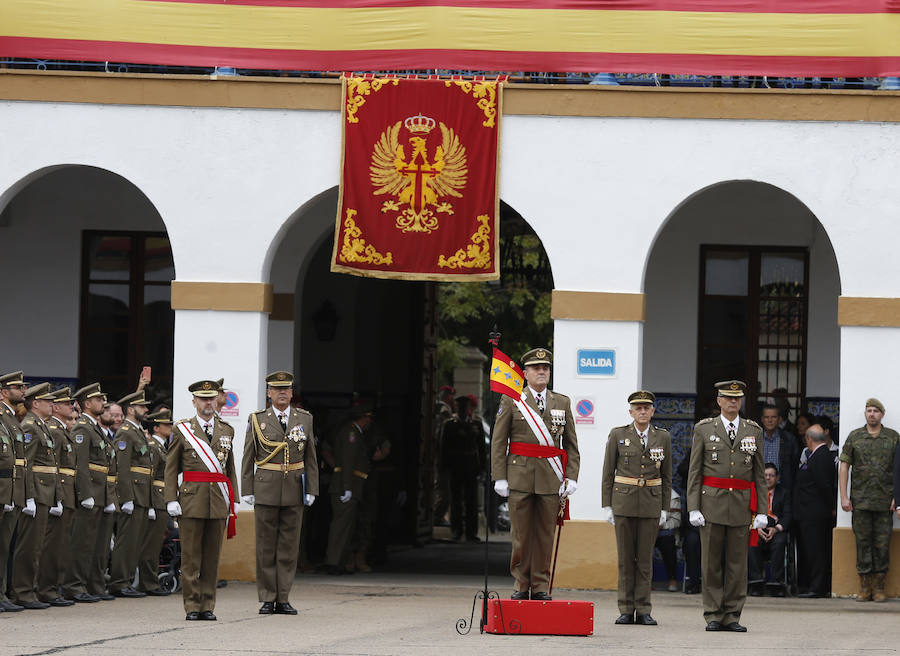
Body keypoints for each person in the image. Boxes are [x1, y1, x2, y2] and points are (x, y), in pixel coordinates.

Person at [491, 347, 580, 601]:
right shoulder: (512, 399)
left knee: (544, 535)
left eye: (545, 368)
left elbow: (571, 444)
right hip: (519, 476)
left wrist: (571, 475)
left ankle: (540, 585)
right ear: (526, 373)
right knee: (521, 535)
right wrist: (499, 476)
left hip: (550, 477)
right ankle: (521, 583)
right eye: (536, 368)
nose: (542, 372)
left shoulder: (562, 402)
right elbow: (499, 441)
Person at [687, 380, 766, 632]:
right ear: (719, 401)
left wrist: (762, 510)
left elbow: (759, 474)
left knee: (737, 564)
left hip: (741, 505)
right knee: (710, 563)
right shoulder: (703, 429)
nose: (733, 402)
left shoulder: (753, 430)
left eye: (737, 398)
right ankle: (713, 613)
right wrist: (693, 506)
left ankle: (732, 614)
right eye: (728, 398)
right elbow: (695, 471)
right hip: (711, 503)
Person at [241, 371, 318, 615]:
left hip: (295, 487)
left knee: (288, 546)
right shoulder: (257, 419)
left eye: (286, 389)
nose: (282, 393)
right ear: (269, 393)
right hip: (265, 488)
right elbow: (248, 457)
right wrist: (248, 488)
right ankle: (267, 597)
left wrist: (312, 488)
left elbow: (310, 457)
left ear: (292, 393)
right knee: (265, 546)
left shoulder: (304, 418)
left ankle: (283, 597)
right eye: (277, 389)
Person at [165, 380, 238, 621]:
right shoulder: (182, 429)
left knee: (211, 558)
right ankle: (192, 606)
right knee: (190, 559)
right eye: (203, 399)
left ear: (217, 400)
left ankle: (208, 605)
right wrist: (170, 498)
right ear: (194, 402)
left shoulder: (227, 429)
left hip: (218, 500)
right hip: (191, 500)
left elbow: (229, 469)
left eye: (211, 398)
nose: (208, 402)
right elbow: (171, 467)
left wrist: (233, 499)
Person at [601, 390, 672, 625]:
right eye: (638, 408)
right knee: (625, 559)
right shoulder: (618, 434)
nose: (642, 411)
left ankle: (643, 609)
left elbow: (667, 475)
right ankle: (625, 608)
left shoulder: (663, 437)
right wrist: (607, 505)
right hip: (623, 503)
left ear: (652, 411)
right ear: (631, 411)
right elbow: (608, 472)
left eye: (646, 408)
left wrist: (664, 507)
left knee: (644, 560)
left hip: (651, 504)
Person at [839, 398, 899, 602]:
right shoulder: (855, 437)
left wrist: (897, 498)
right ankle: (865, 587)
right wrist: (844, 496)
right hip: (861, 502)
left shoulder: (893, 438)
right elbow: (844, 467)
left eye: (875, 411)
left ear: (882, 414)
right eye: (868, 410)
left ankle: (880, 587)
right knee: (863, 544)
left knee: (882, 545)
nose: (871, 414)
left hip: (884, 503)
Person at [11, 383, 61, 609]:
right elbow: (27, 464)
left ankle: (29, 590)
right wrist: (28, 496)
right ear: (36, 403)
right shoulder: (30, 426)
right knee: (29, 546)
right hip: (37, 492)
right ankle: (22, 592)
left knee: (37, 546)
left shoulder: (41, 426)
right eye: (48, 401)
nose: (52, 404)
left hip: (45, 492)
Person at [108, 390, 152, 598]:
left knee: (134, 541)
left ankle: (125, 580)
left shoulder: (136, 431)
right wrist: (126, 497)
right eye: (142, 406)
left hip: (141, 493)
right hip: (133, 493)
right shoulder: (126, 432)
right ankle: (119, 582)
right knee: (126, 541)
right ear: (131, 409)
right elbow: (122, 467)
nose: (146, 410)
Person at [37, 388, 78, 607]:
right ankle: (46, 589)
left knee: (61, 545)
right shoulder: (54, 430)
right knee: (52, 546)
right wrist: (57, 498)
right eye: (66, 404)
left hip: (65, 492)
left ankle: (54, 587)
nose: (70, 406)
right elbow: (53, 467)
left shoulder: (60, 430)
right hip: (57, 492)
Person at [325, 402, 374, 575]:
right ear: (365, 418)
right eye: (369, 417)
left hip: (351, 485)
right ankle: (333, 562)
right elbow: (347, 462)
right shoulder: (351, 433)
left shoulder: (354, 432)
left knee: (347, 527)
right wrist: (347, 488)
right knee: (341, 527)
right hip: (345, 486)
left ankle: (340, 562)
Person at [0, 371, 30, 612]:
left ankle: (2, 593)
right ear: (3, 392)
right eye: (17, 387)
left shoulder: (11, 419)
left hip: (11, 490)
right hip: (4, 490)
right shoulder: (4, 418)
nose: (23, 390)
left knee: (5, 545)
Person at [795, 424, 836, 598]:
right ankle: (814, 584)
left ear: (809, 439)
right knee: (812, 549)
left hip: (815, 514)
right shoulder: (817, 455)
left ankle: (817, 587)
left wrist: (831, 507)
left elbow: (824, 486)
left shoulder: (821, 456)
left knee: (816, 550)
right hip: (809, 513)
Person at [137, 408, 172, 595]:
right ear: (156, 428)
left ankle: (150, 581)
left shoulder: (161, 447)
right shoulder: (152, 446)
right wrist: (150, 504)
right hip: (156, 499)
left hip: (162, 498)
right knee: (150, 545)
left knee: (156, 543)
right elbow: (149, 477)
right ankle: (148, 583)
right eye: (166, 424)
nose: (170, 427)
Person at [442, 395, 485, 542]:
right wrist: (444, 466)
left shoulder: (476, 425)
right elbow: (444, 447)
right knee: (456, 500)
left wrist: (482, 468)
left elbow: (481, 448)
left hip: (471, 466)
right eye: (460, 407)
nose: (463, 410)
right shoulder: (450, 425)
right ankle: (457, 531)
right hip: (456, 465)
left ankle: (471, 532)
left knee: (471, 500)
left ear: (469, 409)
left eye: (465, 407)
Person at [747, 463, 791, 597]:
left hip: (775, 529)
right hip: (757, 529)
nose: (768, 478)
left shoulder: (784, 493)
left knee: (780, 542)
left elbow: (788, 515)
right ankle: (756, 583)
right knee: (752, 541)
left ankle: (776, 583)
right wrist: (755, 526)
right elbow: (746, 512)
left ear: (777, 478)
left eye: (771, 475)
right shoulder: (753, 492)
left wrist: (776, 529)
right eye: (765, 475)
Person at [759, 404, 798, 491]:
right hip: (759, 487)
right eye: (766, 417)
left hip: (782, 489)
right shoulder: (754, 438)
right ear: (762, 419)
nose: (770, 420)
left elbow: (794, 467)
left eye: (773, 417)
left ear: (779, 419)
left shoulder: (789, 439)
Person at [433, 385, 455, 526]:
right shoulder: (444, 410)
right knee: (445, 491)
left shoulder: (436, 407)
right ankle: (437, 516)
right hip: (441, 455)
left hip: (437, 454)